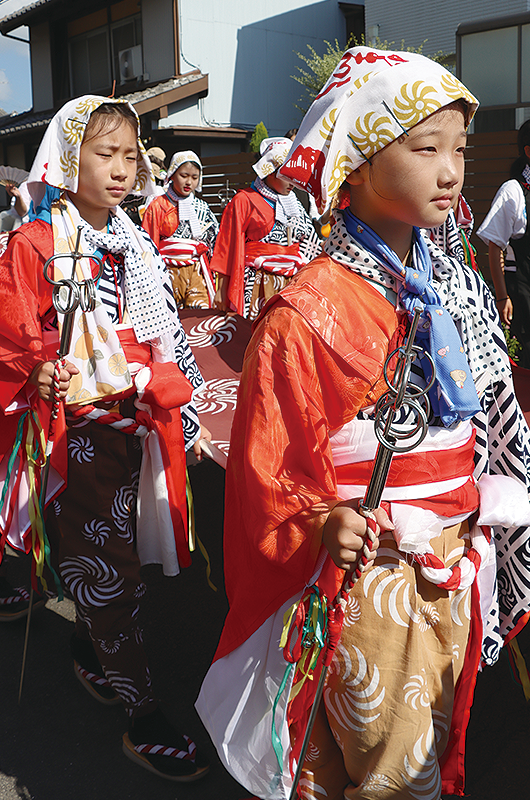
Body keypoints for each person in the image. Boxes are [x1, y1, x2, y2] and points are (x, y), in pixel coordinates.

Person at [196, 47, 530, 800]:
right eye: (425, 148)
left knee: (425, 738)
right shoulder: (309, 309)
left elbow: (492, 417)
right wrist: (318, 520)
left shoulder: (459, 287)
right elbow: (268, 461)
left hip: (454, 548)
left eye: (459, 150)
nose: (451, 170)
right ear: (358, 158)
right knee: (383, 764)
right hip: (371, 568)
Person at [0, 95, 210, 782]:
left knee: (125, 555)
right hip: (81, 430)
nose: (122, 170)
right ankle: (142, 714)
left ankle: (93, 653)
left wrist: (187, 412)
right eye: (104, 153)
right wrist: (39, 364)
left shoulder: (134, 239)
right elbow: (11, 334)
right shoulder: (34, 243)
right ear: (67, 157)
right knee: (113, 571)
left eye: (129, 155)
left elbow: (167, 335)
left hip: (139, 423)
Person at [211, 137, 322, 318]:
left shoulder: (296, 203)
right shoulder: (244, 200)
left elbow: (311, 244)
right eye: (287, 175)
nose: (293, 182)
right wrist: (222, 289)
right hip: (258, 282)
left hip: (292, 282)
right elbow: (227, 247)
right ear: (270, 171)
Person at [477, 120, 530, 368]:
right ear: (528, 151)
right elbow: (495, 245)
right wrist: (501, 297)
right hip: (522, 292)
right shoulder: (514, 190)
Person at [142, 150, 218, 309]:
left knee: (198, 319)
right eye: (184, 176)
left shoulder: (203, 207)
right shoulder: (157, 205)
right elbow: (148, 243)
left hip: (197, 271)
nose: (189, 182)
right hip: (166, 270)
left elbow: (214, 241)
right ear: (172, 174)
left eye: (194, 177)